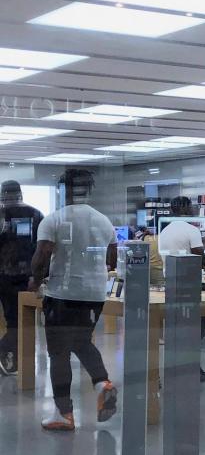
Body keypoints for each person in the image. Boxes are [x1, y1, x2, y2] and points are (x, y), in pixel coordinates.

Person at [29, 169, 119, 431]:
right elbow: (111, 261)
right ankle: (102, 383)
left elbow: (42, 255)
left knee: (59, 353)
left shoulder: (55, 219)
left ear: (63, 190)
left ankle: (63, 412)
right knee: (81, 341)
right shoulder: (103, 221)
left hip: (63, 295)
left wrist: (36, 278)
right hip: (94, 295)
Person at [158, 196, 205, 382]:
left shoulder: (165, 232)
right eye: (191, 207)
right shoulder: (192, 230)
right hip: (192, 282)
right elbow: (199, 259)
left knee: (183, 324)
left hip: (172, 281)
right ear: (186, 208)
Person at [0, 180, 44, 376]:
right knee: (20, 321)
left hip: (4, 276)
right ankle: (8, 356)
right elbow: (42, 250)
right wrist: (39, 276)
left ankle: (11, 360)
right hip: (24, 277)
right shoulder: (35, 215)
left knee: (14, 321)